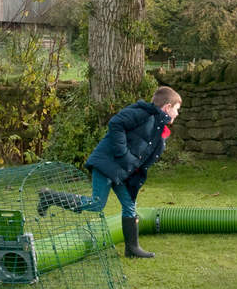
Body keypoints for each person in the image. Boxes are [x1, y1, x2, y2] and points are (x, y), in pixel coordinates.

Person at [38, 86, 182, 258]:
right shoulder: (143, 113)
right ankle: (50, 197)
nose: (177, 113)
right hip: (106, 164)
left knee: (129, 205)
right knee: (96, 204)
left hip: (123, 172)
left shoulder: (159, 127)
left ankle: (132, 248)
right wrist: (123, 154)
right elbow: (116, 123)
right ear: (167, 107)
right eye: (176, 109)